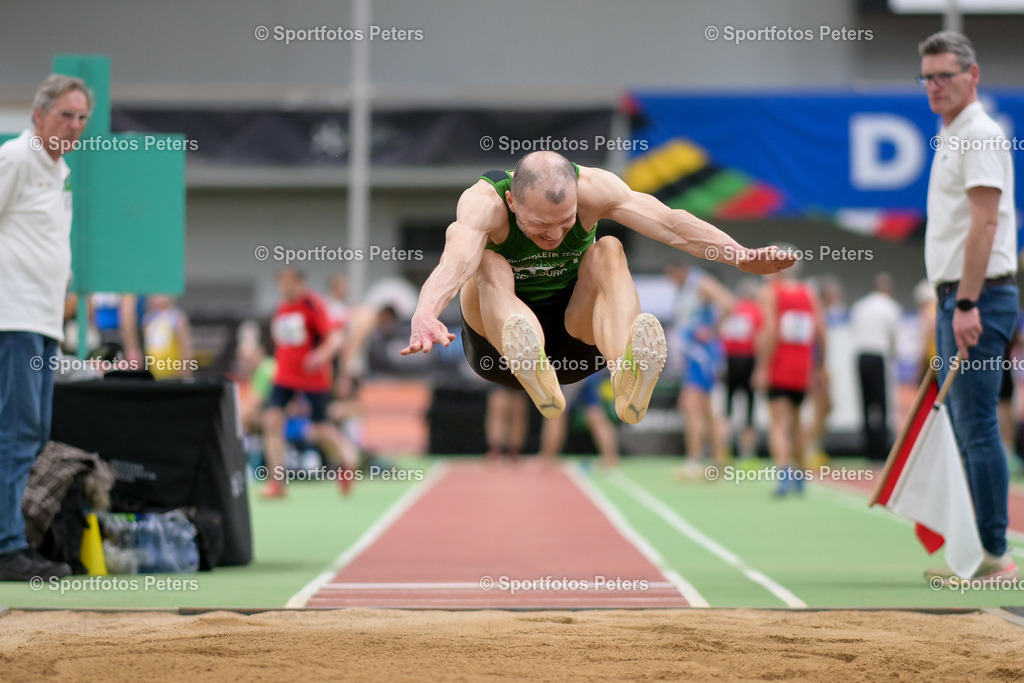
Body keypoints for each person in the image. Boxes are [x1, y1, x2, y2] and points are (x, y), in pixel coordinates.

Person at [400, 151, 794, 421]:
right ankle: (531, 360)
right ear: (513, 202)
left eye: (566, 221)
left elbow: (671, 224)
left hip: (579, 336)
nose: (554, 234)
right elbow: (456, 259)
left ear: (576, 196)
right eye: (540, 225)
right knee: (486, 260)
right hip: (500, 348)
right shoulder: (483, 203)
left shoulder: (594, 187)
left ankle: (626, 371)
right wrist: (426, 311)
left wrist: (739, 255)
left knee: (608, 247)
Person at [917, 31, 1018, 584]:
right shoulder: (952, 133)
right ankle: (980, 549)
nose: (934, 86)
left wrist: (969, 302)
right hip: (959, 296)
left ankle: (995, 555)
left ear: (973, 75)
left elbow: (986, 223)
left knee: (976, 425)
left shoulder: (978, 134)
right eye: (927, 77)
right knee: (964, 424)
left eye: (945, 76)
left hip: (979, 296)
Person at [0, 74, 93, 580]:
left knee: (32, 437)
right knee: (14, 435)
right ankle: (5, 547)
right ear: (38, 116)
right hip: (11, 319)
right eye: (65, 114)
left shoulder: (61, 171)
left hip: (41, 322)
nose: (74, 126)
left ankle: (17, 540)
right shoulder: (15, 160)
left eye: (82, 118)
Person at [260, 268, 358, 498]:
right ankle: (277, 482)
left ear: (300, 283)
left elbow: (335, 338)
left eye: (289, 283)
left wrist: (319, 357)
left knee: (320, 429)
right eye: (280, 283)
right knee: (271, 420)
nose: (284, 288)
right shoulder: (282, 308)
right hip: (285, 377)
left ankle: (348, 460)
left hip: (313, 379)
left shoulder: (313, 305)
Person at [752, 257, 826, 497]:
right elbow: (821, 332)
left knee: (778, 422)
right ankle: (801, 474)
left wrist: (762, 367)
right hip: (802, 367)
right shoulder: (809, 293)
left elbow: (770, 331)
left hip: (779, 365)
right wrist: (820, 367)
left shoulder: (770, 292)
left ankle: (784, 473)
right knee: (796, 421)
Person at [674, 271, 734, 480]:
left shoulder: (700, 283)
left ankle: (695, 460)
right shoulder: (685, 290)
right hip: (696, 357)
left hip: (703, 357)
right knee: (705, 411)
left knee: (692, 408)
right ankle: (718, 462)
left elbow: (729, 303)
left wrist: (713, 330)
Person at [849, 274, 902, 461]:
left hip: (861, 355)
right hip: (878, 355)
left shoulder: (861, 306)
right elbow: (894, 338)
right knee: (881, 404)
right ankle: (882, 449)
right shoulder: (891, 308)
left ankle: (868, 448)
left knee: (866, 402)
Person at [720, 277, 763, 464]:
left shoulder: (732, 310)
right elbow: (761, 340)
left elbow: (721, 335)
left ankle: (723, 451)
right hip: (749, 360)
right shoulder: (757, 312)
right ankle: (748, 455)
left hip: (731, 360)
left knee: (727, 408)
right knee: (750, 410)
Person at [538, 372, 620, 470]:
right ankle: (610, 458)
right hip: (588, 370)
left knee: (556, 412)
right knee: (594, 413)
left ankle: (547, 458)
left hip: (574, 370)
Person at [141, 294, 194, 379]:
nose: (159, 298)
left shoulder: (177, 318)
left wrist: (185, 369)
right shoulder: (148, 319)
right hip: (154, 373)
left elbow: (185, 346)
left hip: (174, 372)